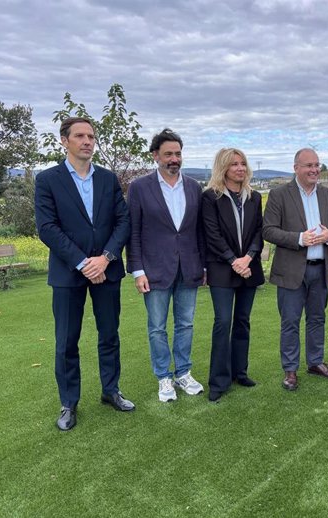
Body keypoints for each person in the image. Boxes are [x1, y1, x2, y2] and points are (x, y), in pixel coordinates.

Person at [35, 117, 133, 431]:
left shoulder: (108, 178)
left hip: (107, 270)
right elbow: (47, 229)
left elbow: (123, 222)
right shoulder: (47, 180)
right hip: (67, 273)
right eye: (80, 136)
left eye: (91, 136)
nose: (88, 141)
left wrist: (104, 259)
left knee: (109, 335)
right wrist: (83, 263)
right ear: (64, 141)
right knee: (66, 341)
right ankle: (69, 403)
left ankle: (111, 390)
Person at [126, 129, 206, 402]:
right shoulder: (139, 187)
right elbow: (133, 232)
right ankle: (164, 377)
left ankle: (183, 372)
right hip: (154, 271)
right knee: (157, 327)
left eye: (178, 153)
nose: (174, 159)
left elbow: (199, 232)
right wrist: (137, 271)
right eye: (169, 153)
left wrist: (203, 266)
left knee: (185, 324)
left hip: (189, 269)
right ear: (156, 156)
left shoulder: (195, 187)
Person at [262, 148, 328, 391]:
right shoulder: (279, 194)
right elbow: (268, 230)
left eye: (317, 165)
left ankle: (315, 362)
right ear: (296, 168)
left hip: (320, 269)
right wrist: (300, 239)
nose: (314, 170)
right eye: (308, 165)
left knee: (317, 318)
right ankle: (290, 370)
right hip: (291, 270)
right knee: (290, 321)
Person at [202, 148, 264, 403]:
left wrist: (248, 258)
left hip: (249, 267)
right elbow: (212, 234)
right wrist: (233, 260)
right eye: (234, 164)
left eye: (242, 164)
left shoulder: (254, 197)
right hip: (221, 268)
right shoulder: (210, 197)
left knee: (243, 321)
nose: (240, 168)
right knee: (223, 322)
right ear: (223, 168)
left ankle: (240, 372)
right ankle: (219, 380)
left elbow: (260, 231)